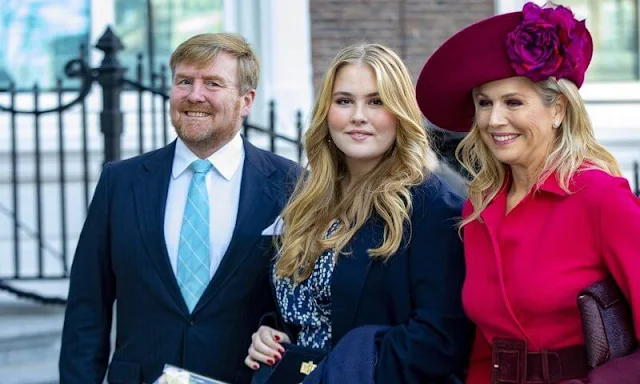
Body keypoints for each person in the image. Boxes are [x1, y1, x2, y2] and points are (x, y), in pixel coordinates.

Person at [416, 2, 640, 383]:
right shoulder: (479, 207)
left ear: (559, 110)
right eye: (484, 103)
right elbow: (485, 349)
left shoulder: (601, 196)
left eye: (513, 102)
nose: (493, 120)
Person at [59, 33, 299, 384]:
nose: (194, 95)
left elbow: (303, 306)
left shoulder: (290, 184)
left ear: (246, 101)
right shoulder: (120, 182)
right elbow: (87, 310)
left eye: (213, 83)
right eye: (184, 81)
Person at [244, 43, 473, 383]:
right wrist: (271, 333)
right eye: (344, 101)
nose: (358, 116)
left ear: (400, 113)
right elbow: (308, 309)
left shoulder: (431, 208)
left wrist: (341, 368)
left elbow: (441, 341)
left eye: (376, 101)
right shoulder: (308, 199)